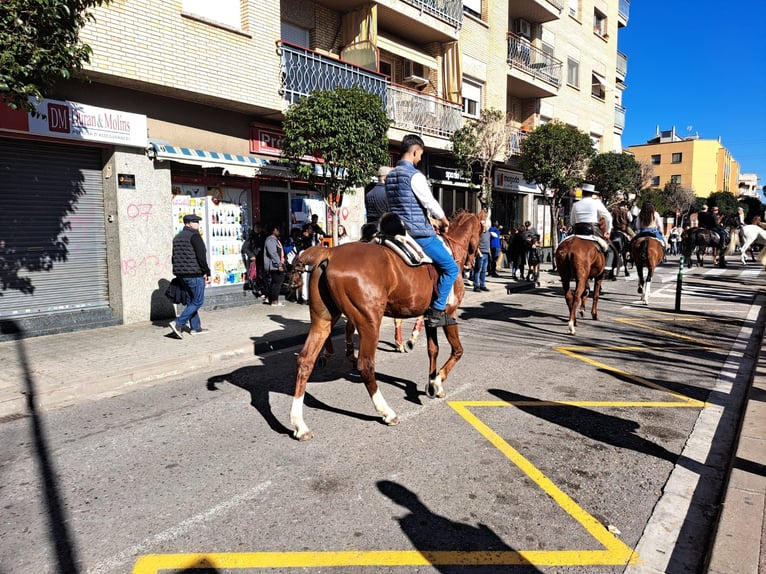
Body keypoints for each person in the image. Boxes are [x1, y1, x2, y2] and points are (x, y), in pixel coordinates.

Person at [385, 134, 459, 328]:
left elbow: (402, 204)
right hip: (419, 234)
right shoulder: (414, 175)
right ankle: (437, 310)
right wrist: (443, 220)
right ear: (415, 150)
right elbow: (429, 202)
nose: (419, 159)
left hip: (397, 232)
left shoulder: (390, 175)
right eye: (420, 155)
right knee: (452, 268)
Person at [168, 213, 211, 338]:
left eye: (198, 222)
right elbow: (201, 256)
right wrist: (206, 272)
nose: (197, 224)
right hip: (194, 274)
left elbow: (173, 257)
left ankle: (196, 327)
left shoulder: (177, 237)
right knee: (198, 301)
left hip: (181, 275)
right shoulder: (195, 236)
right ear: (188, 223)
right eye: (195, 222)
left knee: (191, 301)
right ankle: (178, 323)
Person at [569, 183, 614, 274]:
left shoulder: (576, 204)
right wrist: (608, 231)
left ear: (582, 193)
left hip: (577, 231)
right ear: (592, 193)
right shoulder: (596, 203)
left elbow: (572, 222)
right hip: (592, 231)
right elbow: (608, 217)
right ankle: (606, 269)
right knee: (609, 250)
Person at [362, 165, 391, 241]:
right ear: (385, 178)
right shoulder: (387, 193)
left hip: (369, 231)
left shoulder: (368, 194)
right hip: (383, 232)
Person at [263, 224, 286, 306]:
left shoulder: (275, 240)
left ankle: (270, 298)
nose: (279, 232)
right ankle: (274, 301)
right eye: (278, 230)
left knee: (274, 282)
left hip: (276, 264)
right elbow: (273, 253)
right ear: (274, 230)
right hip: (274, 266)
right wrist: (279, 264)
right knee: (277, 282)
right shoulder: (270, 240)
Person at [473, 221, 491, 292]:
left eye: (485, 225)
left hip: (486, 253)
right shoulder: (478, 234)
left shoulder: (488, 234)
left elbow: (488, 243)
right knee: (478, 270)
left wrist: (490, 253)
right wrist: (479, 253)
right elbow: (476, 244)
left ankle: (482, 285)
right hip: (481, 253)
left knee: (484, 270)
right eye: (483, 225)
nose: (484, 226)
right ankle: (476, 285)